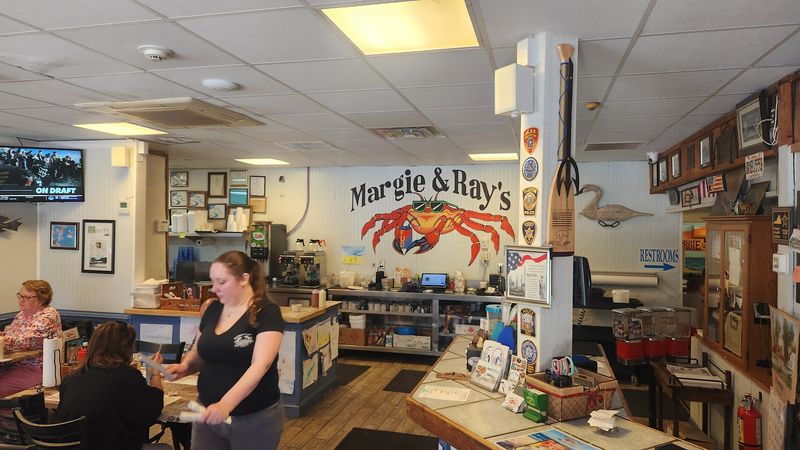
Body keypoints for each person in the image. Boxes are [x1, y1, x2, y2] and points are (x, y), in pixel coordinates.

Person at [166, 251, 285, 450]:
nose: (214, 289)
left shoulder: (267, 312)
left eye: (221, 282)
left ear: (244, 279)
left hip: (253, 418)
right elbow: (199, 351)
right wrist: (185, 366)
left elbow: (260, 365)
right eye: (213, 282)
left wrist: (226, 404)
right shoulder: (213, 309)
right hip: (207, 412)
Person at [56, 321, 170, 450]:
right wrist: (155, 372)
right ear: (126, 348)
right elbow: (152, 409)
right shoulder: (127, 376)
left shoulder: (72, 377)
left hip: (74, 447)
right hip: (110, 445)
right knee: (165, 448)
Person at [0, 280, 62, 397]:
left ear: (42, 299)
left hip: (35, 368)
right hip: (11, 365)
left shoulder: (48, 315)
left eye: (27, 297)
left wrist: (4, 339)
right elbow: (10, 335)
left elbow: (29, 340)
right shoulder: (21, 315)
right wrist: (3, 336)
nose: (21, 300)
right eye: (20, 296)